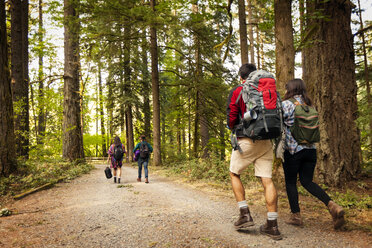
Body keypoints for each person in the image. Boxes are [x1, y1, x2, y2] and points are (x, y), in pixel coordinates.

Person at [226, 63, 282, 240]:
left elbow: (232, 118)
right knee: (267, 180)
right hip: (266, 141)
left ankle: (244, 214)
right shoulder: (267, 91)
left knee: (234, 173)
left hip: (246, 140)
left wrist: (231, 126)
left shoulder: (239, 90)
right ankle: (272, 225)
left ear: (241, 77)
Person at [281, 79, 345, 229]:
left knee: (291, 183)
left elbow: (277, 124)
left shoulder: (287, 104)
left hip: (293, 150)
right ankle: (332, 205)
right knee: (307, 181)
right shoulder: (310, 105)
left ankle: (296, 216)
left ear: (290, 90)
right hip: (311, 151)